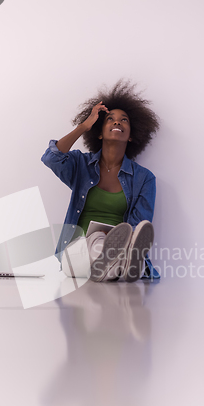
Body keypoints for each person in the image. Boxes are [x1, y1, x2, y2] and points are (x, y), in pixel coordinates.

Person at [41, 80, 160, 282]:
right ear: (98, 131)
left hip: (118, 245)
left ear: (132, 135)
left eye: (124, 120)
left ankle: (119, 259)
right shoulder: (81, 165)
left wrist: (118, 235)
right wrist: (85, 125)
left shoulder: (144, 178)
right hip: (76, 251)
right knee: (96, 242)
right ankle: (123, 264)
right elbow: (51, 158)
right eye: (110, 119)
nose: (117, 122)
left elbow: (138, 225)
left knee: (106, 242)